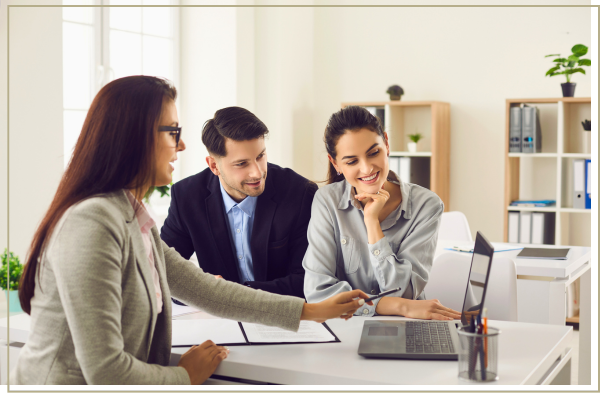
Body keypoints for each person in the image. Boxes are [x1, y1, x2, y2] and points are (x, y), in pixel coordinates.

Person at [11, 77, 370, 385]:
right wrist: (184, 375)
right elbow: (106, 372)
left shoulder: (132, 215)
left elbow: (205, 290)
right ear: (134, 138)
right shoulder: (92, 222)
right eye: (173, 133)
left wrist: (311, 312)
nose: (181, 145)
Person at [303, 106, 461, 320]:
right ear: (335, 163)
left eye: (374, 153)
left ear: (386, 144)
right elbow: (318, 294)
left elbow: (405, 292)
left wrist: (372, 223)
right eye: (351, 161)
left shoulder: (427, 205)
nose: (367, 169)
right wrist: (398, 306)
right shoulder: (327, 201)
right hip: (346, 328)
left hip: (406, 326)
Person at [160, 107, 316, 298]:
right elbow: (161, 272)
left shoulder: (299, 192)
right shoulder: (187, 197)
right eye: (242, 164)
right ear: (214, 166)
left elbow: (308, 279)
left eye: (260, 156)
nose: (257, 172)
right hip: (219, 319)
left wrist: (234, 295)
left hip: (284, 316)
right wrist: (201, 288)